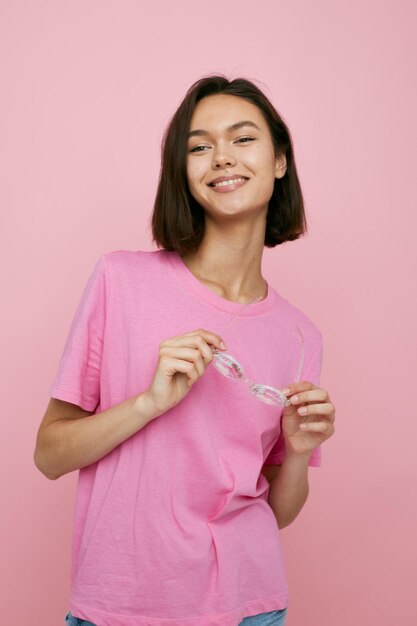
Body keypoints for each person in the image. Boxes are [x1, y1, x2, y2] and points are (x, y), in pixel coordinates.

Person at [34, 75, 336, 626]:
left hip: (251, 605)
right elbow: (49, 455)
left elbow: (278, 513)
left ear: (279, 162)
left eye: (243, 139)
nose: (221, 157)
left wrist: (296, 451)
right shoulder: (120, 280)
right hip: (119, 604)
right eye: (199, 146)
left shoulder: (299, 335)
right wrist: (147, 403)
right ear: (184, 171)